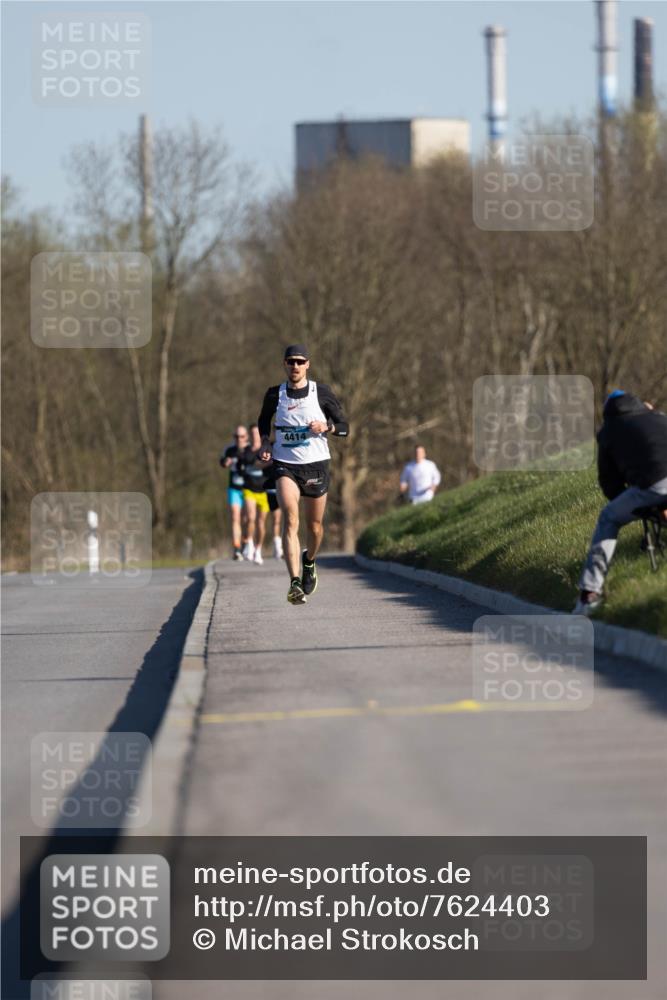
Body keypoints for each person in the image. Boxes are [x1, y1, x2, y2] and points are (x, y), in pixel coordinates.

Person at [258, 345, 348, 605]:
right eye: (290, 362)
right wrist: (265, 442)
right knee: (290, 516)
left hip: (316, 465)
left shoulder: (321, 393)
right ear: (284, 364)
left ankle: (309, 561)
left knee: (315, 527)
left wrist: (326, 426)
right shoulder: (275, 394)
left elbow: (345, 426)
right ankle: (294, 582)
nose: (295, 366)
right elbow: (263, 420)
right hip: (285, 464)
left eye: (299, 362)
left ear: (307, 364)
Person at [574, 390, 667, 615]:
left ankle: (590, 594)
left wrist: (635, 506)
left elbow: (609, 482)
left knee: (609, 517)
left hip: (654, 485)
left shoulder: (609, 432)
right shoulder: (659, 416)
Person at [240, 424, 271, 564]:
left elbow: (269, 462)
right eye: (252, 433)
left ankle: (258, 550)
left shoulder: (267, 448)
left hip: (263, 490)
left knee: (261, 522)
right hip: (249, 489)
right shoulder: (246, 451)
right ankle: (250, 544)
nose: (254, 436)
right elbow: (251, 462)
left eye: (256, 433)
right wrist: (264, 462)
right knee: (251, 517)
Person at [219, 425, 249, 560]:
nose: (239, 439)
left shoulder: (251, 449)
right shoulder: (229, 450)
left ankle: (246, 543)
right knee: (235, 516)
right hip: (234, 488)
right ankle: (236, 548)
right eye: (236, 437)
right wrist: (226, 462)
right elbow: (222, 462)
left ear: (246, 437)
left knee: (247, 519)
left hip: (249, 489)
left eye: (242, 436)